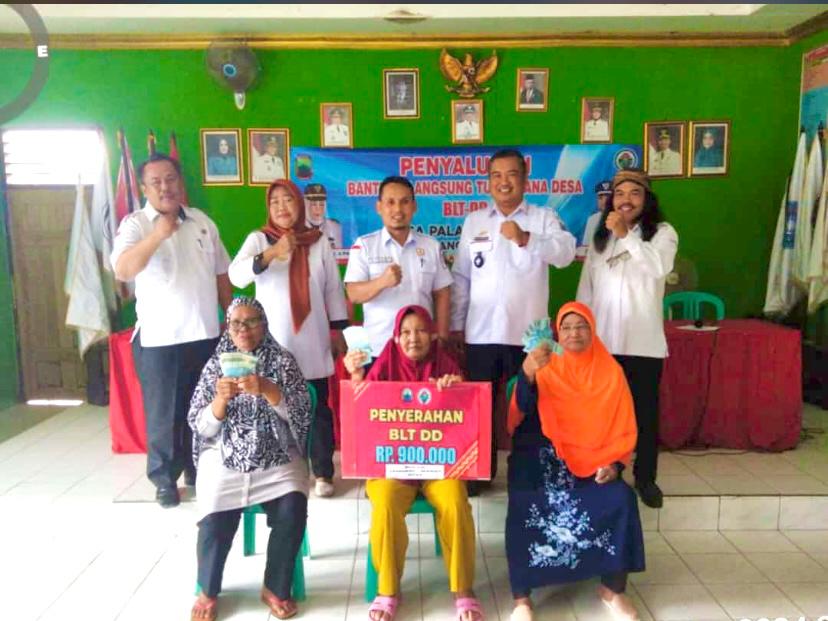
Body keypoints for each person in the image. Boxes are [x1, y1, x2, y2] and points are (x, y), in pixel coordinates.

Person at [506, 302, 645, 621]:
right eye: (566, 327)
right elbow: (520, 411)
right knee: (524, 498)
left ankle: (612, 589)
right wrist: (527, 372)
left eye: (581, 326)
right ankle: (522, 598)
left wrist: (615, 466)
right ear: (557, 332)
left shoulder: (611, 371)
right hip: (543, 455)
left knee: (621, 498)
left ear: (592, 330)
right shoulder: (545, 362)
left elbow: (625, 428)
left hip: (595, 460)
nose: (574, 333)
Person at [343, 305, 483, 621]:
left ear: (432, 335)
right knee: (385, 502)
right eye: (405, 332)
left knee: (455, 500)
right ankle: (387, 590)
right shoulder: (383, 365)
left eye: (420, 330)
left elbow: (467, 419)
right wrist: (356, 377)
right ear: (395, 338)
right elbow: (360, 415)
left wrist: (456, 390)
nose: (413, 338)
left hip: (438, 465)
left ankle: (463, 589)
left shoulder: (447, 365)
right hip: (393, 466)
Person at [111, 153, 232, 508]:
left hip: (205, 334)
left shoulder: (202, 222)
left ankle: (198, 469)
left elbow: (221, 273)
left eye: (170, 179)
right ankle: (164, 480)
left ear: (180, 182)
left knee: (204, 409)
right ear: (144, 188)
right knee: (164, 415)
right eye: (156, 182)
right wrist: (158, 235)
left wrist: (229, 318)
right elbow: (123, 270)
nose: (165, 187)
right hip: (159, 341)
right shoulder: (135, 224)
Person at [450, 148, 576, 488]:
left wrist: (526, 239)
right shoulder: (474, 221)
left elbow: (566, 253)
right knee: (480, 408)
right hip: (481, 334)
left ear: (525, 179)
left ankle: (527, 473)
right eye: (496, 175)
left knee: (530, 406)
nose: (503, 182)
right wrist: (457, 325)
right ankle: (481, 473)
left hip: (528, 337)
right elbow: (462, 277)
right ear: (488, 182)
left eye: (511, 174)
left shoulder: (543, 217)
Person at [188, 297, 312, 621]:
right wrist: (220, 401)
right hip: (226, 456)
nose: (243, 329)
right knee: (215, 513)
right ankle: (208, 589)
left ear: (264, 325)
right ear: (228, 328)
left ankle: (275, 587)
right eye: (236, 323)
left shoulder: (283, 362)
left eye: (252, 321)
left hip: (277, 456)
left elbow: (302, 416)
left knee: (292, 506)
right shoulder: (215, 365)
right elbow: (200, 426)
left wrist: (269, 389)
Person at [228, 179, 348, 498]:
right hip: (274, 343)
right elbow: (236, 275)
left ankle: (322, 472)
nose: (282, 207)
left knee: (317, 408)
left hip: (313, 339)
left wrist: (338, 330)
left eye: (288, 200)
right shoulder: (259, 239)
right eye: (275, 202)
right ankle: (282, 470)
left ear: (300, 204)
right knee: (274, 406)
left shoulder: (318, 241)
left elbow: (333, 289)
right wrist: (271, 253)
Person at [576, 168, 679, 508]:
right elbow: (586, 289)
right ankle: (609, 470)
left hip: (643, 344)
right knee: (605, 416)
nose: (626, 200)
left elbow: (658, 268)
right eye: (619, 194)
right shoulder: (601, 238)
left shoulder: (662, 233)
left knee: (644, 416)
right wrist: (580, 336)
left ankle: (646, 478)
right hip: (604, 345)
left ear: (647, 200)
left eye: (634, 194)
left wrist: (627, 236)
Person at [345, 175, 453, 360]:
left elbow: (442, 292)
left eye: (404, 202)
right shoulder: (364, 245)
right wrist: (381, 282)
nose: (397, 209)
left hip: (420, 350)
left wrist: (442, 337)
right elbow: (353, 294)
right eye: (390, 202)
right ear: (379, 207)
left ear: (414, 206)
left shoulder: (430, 246)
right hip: (378, 350)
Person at [578, 180, 612, 258]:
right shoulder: (592, 219)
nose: (604, 201)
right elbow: (586, 247)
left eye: (608, 197)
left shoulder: (624, 218)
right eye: (600, 198)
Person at [304, 183, 343, 249]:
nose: (318, 208)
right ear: (306, 204)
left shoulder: (335, 227)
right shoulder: (298, 227)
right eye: (314, 204)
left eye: (321, 204)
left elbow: (339, 251)